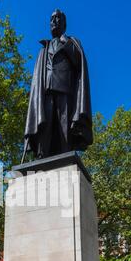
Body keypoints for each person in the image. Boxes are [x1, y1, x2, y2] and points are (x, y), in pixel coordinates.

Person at [23, 9, 93, 160]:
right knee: (44, 123)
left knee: (64, 125)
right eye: (52, 19)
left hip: (65, 89)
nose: (54, 21)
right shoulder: (44, 48)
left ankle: (66, 153)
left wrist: (65, 42)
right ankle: (42, 155)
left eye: (58, 18)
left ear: (65, 24)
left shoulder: (71, 42)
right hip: (46, 91)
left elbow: (78, 61)